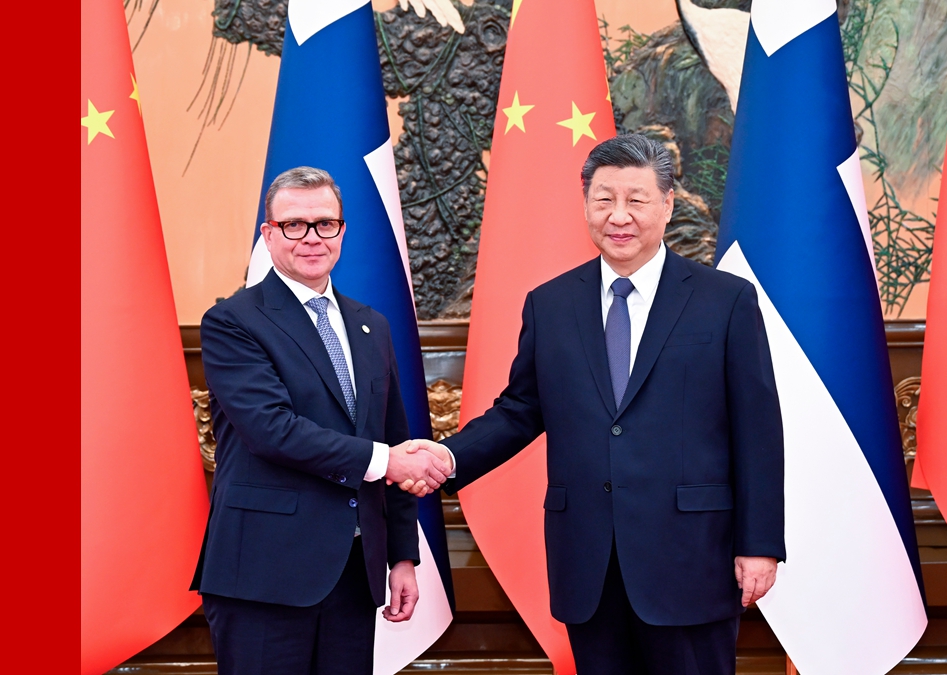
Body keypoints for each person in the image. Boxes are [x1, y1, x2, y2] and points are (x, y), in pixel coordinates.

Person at [404, 135, 786, 674]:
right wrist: (447, 458)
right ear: (585, 203)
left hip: (692, 557)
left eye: (636, 200)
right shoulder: (551, 304)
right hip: (589, 562)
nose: (619, 216)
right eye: (604, 199)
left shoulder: (725, 300)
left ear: (667, 204)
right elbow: (520, 409)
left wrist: (760, 543)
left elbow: (758, 431)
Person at [190, 166, 452, 675]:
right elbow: (271, 430)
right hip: (264, 576)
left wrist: (402, 556)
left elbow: (393, 437)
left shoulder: (371, 325)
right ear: (269, 235)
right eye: (294, 224)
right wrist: (387, 461)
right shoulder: (232, 321)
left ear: (342, 231)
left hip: (354, 574)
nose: (312, 237)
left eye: (325, 223)